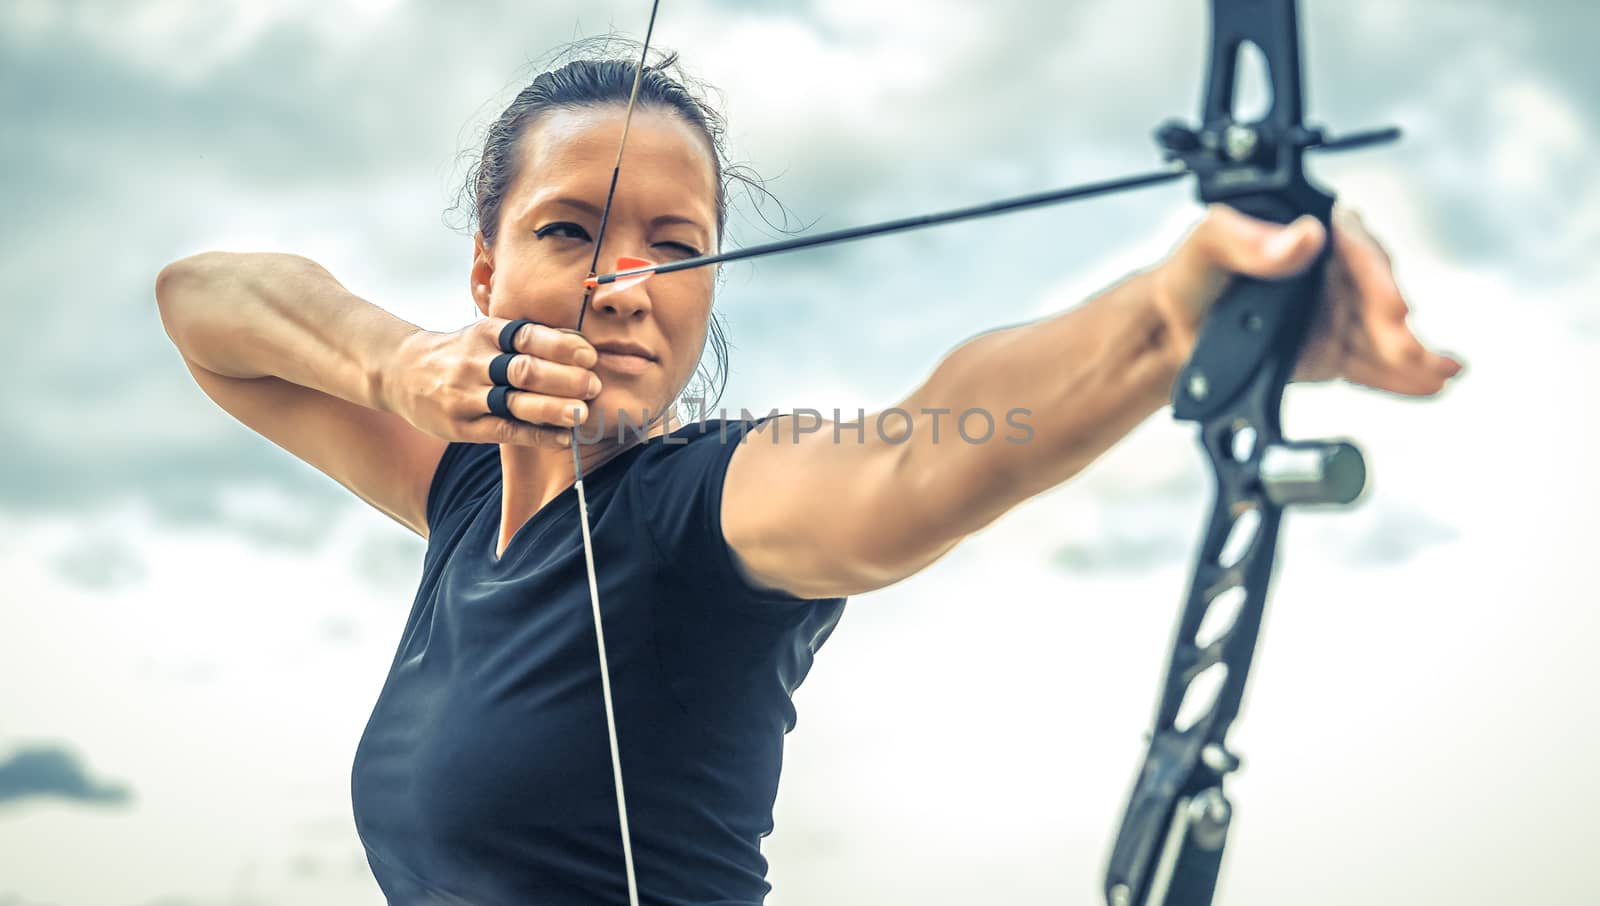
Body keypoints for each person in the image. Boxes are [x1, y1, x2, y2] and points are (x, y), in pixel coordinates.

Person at [153, 50, 1462, 906]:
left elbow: (911, 454)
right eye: (569, 230)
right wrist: (395, 366)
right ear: (485, 271)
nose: (626, 284)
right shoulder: (456, 501)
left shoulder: (697, 513)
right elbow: (205, 309)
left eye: (678, 245)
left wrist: (1180, 313)